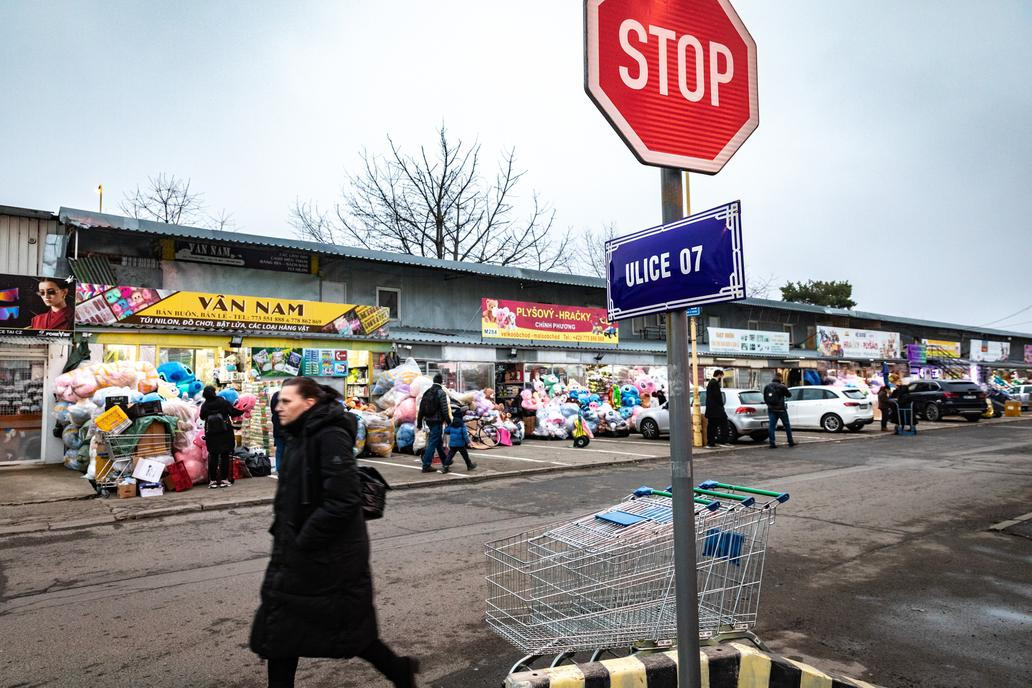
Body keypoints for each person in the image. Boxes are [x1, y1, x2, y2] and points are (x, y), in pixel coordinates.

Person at [250, 376, 418, 688]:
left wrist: (303, 541)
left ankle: (398, 670)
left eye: (286, 401)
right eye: (278, 401)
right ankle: (398, 670)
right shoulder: (300, 433)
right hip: (299, 553)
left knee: (348, 630)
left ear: (309, 402)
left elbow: (343, 500)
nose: (278, 407)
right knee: (283, 635)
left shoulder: (329, 435)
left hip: (327, 557)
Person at [199, 386, 244, 488]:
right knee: (225, 456)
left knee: (213, 456)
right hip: (225, 433)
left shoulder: (205, 405)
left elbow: (202, 416)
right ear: (214, 392)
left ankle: (213, 481)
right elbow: (233, 412)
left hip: (211, 434)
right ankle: (224, 480)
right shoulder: (222, 402)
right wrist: (243, 410)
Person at [416, 374, 451, 473]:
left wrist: (419, 422)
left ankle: (445, 461)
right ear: (441, 382)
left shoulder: (427, 392)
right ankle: (426, 465)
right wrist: (449, 421)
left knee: (438, 442)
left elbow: (421, 409)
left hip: (428, 420)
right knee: (432, 442)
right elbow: (444, 409)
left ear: (433, 381)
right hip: (437, 421)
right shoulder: (441, 392)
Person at [763, 375, 795, 448]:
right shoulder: (782, 386)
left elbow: (765, 397)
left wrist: (769, 405)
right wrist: (784, 387)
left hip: (771, 409)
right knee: (787, 425)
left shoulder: (767, 387)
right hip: (781, 409)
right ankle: (790, 442)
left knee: (771, 426)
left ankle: (772, 443)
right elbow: (789, 395)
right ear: (780, 380)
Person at [704, 370, 729, 447]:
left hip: (712, 410)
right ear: (719, 375)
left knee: (712, 426)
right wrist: (721, 404)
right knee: (723, 424)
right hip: (716, 410)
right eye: (721, 376)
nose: (721, 378)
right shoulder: (714, 383)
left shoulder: (710, 383)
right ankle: (721, 441)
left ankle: (711, 442)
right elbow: (717, 396)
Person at [270, 389, 286, 477]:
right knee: (287, 449)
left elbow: (272, 410)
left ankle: (279, 469)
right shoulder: (290, 396)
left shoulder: (275, 395)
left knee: (280, 449)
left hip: (277, 427)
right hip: (286, 428)